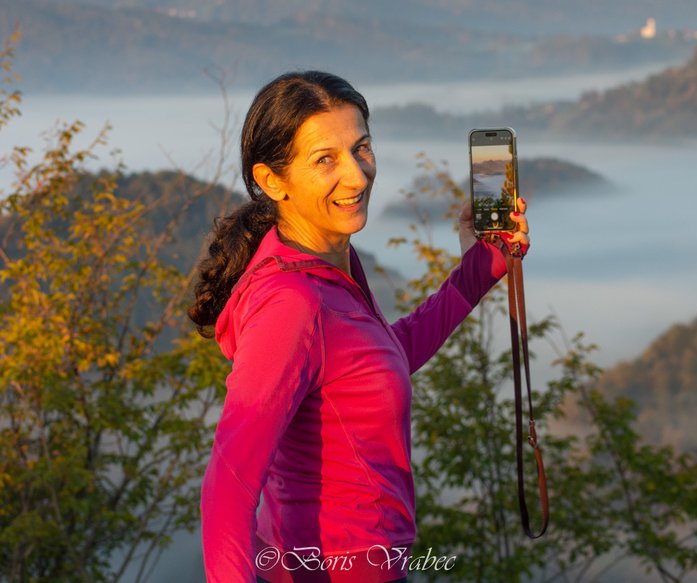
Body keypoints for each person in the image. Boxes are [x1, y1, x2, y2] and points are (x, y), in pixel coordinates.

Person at [188, 71, 529, 583]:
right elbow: (228, 483)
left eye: (361, 147)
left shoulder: (326, 265)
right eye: (325, 159)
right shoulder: (293, 304)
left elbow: (377, 360)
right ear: (270, 180)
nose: (357, 174)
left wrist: (480, 268)